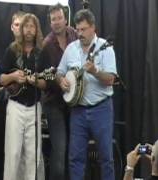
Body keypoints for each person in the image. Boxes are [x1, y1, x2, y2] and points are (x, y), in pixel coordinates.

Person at [57, 9, 117, 180]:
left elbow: (110, 79)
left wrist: (96, 71)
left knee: (106, 158)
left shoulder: (105, 48)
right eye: (78, 30)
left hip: (101, 108)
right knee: (75, 159)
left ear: (93, 28)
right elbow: (59, 72)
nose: (80, 33)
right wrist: (61, 81)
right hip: (78, 110)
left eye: (84, 29)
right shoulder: (71, 49)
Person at [0, 13, 47, 180]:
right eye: (26, 26)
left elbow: (47, 83)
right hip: (15, 106)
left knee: (33, 156)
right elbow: (1, 79)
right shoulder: (12, 50)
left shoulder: (41, 53)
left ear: (36, 29)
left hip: (34, 107)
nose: (29, 30)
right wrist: (14, 77)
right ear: (22, 28)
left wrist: (35, 82)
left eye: (32, 26)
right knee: (13, 153)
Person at [41, 3, 77, 180]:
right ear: (50, 22)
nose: (56, 22)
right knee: (60, 149)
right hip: (54, 103)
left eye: (59, 18)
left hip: (75, 101)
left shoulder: (74, 35)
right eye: (53, 19)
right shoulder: (46, 44)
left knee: (74, 148)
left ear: (65, 19)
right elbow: (44, 75)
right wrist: (57, 80)